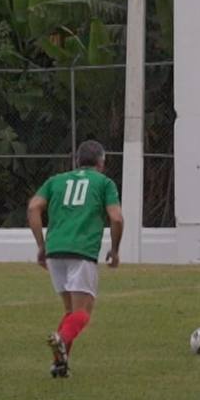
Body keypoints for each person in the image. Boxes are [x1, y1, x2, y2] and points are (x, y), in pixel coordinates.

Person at [27, 140, 124, 378]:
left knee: (70, 311)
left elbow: (33, 207)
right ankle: (61, 339)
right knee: (83, 312)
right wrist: (114, 250)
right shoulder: (104, 183)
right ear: (101, 162)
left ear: (77, 161)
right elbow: (116, 218)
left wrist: (41, 245)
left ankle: (60, 365)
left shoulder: (56, 181)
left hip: (55, 252)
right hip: (81, 252)